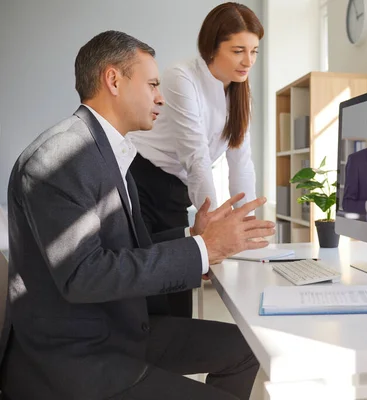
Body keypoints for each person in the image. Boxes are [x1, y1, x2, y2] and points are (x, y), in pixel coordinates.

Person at [0, 30, 275, 400]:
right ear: (113, 80)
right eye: (152, 84)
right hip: (77, 357)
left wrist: (193, 239)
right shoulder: (57, 160)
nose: (161, 97)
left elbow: (124, 249)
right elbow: (84, 275)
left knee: (248, 347)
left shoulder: (110, 151)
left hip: (118, 330)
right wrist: (201, 251)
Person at [128, 2, 263, 318]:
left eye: (255, 51)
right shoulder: (181, 76)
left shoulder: (240, 94)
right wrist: (215, 231)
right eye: (238, 50)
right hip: (142, 181)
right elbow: (196, 157)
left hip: (175, 191)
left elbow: (241, 163)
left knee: (178, 299)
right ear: (212, 46)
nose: (249, 61)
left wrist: (249, 230)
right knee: (149, 292)